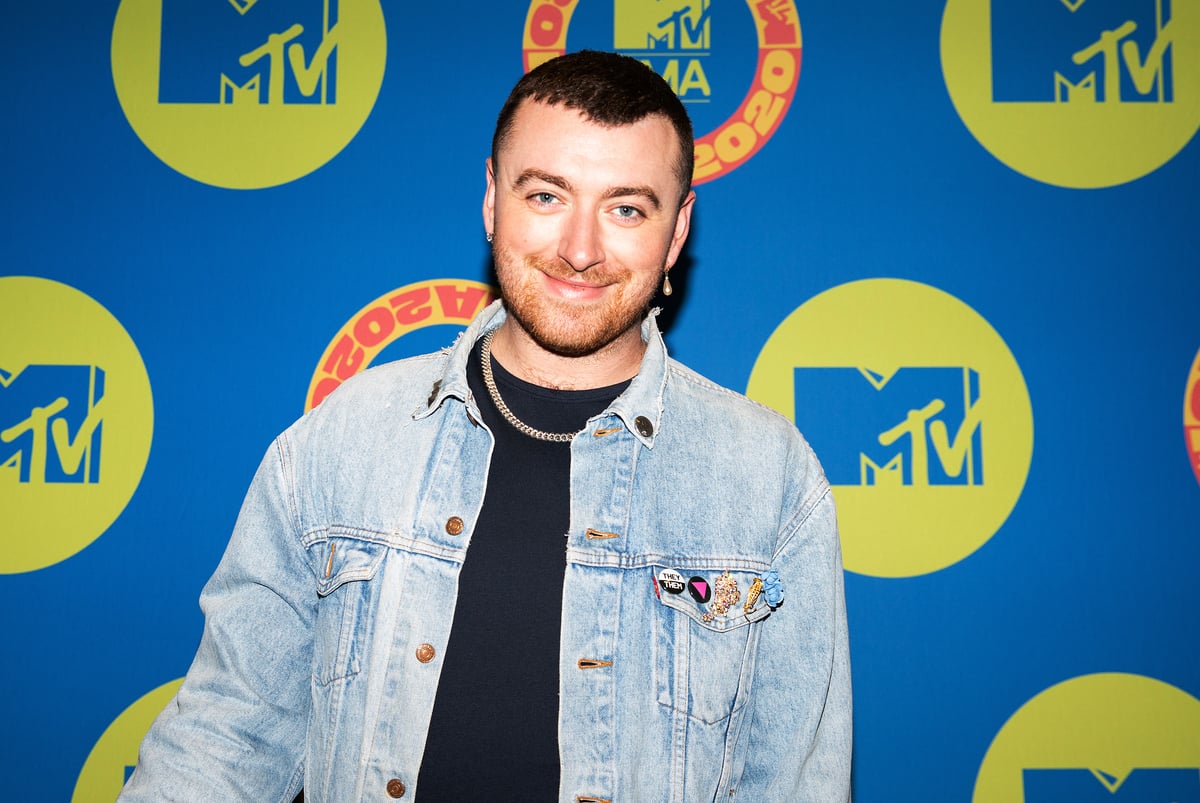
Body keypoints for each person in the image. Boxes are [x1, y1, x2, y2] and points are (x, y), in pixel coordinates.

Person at [120, 50, 851, 802]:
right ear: (492, 201)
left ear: (676, 231)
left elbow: (796, 782)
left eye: (626, 207)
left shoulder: (767, 476)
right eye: (546, 196)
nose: (580, 248)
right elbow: (225, 736)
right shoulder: (341, 441)